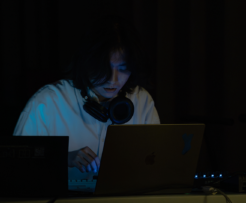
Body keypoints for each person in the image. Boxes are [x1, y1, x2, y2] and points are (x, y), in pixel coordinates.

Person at [13, 14, 160, 181]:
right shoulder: (47, 102)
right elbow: (17, 167)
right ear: (86, 62)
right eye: (103, 67)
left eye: (123, 68)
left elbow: (156, 165)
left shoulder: (142, 101)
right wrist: (63, 158)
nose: (113, 79)